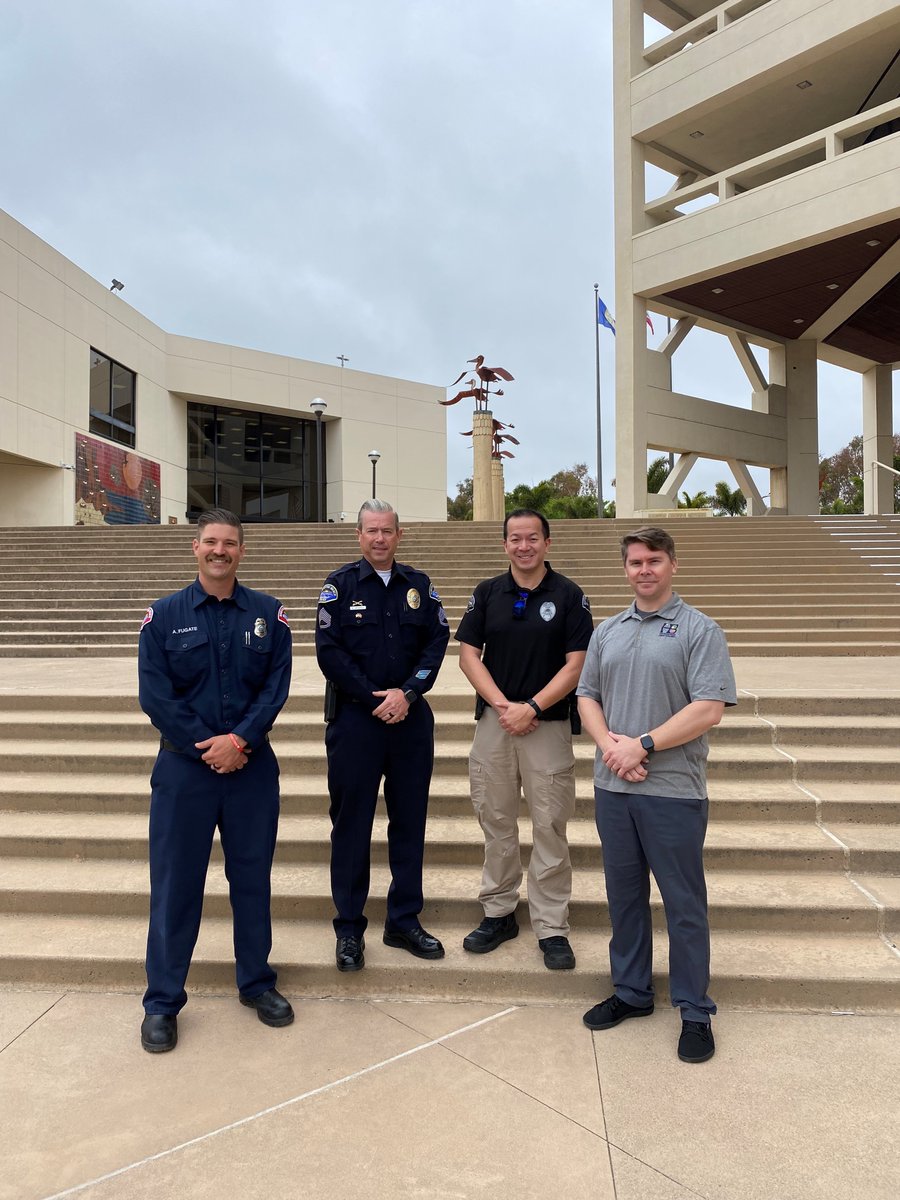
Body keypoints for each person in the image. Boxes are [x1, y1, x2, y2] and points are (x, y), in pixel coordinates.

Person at [576, 525, 736, 1064]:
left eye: (654, 561)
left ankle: (694, 1008)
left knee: (684, 904)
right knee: (623, 896)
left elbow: (708, 708)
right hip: (612, 786)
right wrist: (609, 748)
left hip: (673, 790)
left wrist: (641, 745)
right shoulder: (608, 631)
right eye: (635, 562)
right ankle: (632, 992)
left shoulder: (699, 630)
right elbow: (588, 696)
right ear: (625, 569)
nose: (644, 570)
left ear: (672, 564)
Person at [137, 508, 293, 1053]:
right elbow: (155, 695)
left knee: (252, 882)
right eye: (210, 542)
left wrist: (241, 741)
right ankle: (162, 1002)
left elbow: (275, 689)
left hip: (251, 770)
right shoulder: (163, 616)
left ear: (242, 551)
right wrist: (211, 746)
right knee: (177, 886)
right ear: (195, 548)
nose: (219, 551)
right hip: (185, 770)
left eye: (229, 543)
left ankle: (256, 983)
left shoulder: (269, 615)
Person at [455, 508, 593, 970]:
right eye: (514, 538)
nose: (523, 546)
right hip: (496, 724)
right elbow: (469, 656)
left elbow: (576, 664)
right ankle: (498, 912)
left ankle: (551, 924)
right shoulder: (487, 593)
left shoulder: (570, 596)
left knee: (550, 824)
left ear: (547, 543)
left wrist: (531, 707)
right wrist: (504, 707)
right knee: (495, 820)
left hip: (547, 726)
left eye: (532, 538)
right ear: (505, 544)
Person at [315, 499, 450, 971]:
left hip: (410, 721)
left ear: (399, 535)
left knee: (409, 822)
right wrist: (376, 699)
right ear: (358, 536)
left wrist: (408, 692)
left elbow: (438, 640)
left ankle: (403, 920)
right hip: (356, 722)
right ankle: (349, 929)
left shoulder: (420, 585)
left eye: (387, 531)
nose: (379, 538)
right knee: (351, 826)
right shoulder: (338, 586)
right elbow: (329, 653)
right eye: (370, 531)